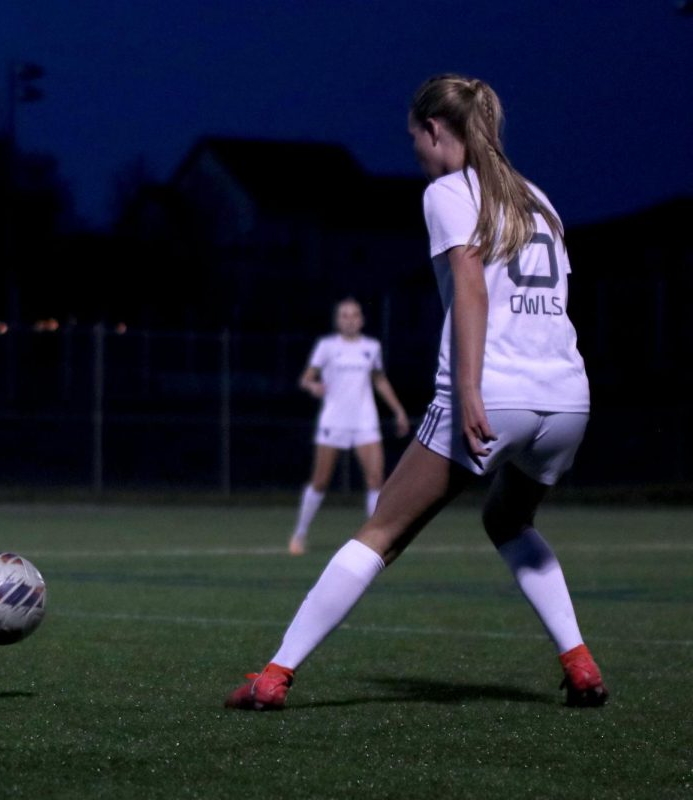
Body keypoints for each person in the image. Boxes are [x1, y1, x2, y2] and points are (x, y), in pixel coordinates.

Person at [225, 75, 607, 710]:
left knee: (380, 532)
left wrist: (470, 390)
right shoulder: (540, 200)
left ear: (436, 130)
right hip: (567, 397)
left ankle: (273, 675)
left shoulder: (449, 191)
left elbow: (472, 286)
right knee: (508, 519)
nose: (416, 153)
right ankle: (580, 663)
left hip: (494, 392)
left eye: (414, 139)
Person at [288, 298, 410, 555]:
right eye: (344, 315)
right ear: (338, 320)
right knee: (320, 481)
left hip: (365, 421)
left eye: (354, 315)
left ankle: (376, 542)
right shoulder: (327, 346)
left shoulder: (371, 347)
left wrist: (398, 411)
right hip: (333, 421)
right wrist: (313, 386)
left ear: (361, 320)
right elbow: (306, 378)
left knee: (376, 480)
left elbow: (379, 381)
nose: (350, 319)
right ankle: (299, 534)